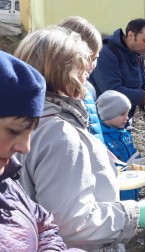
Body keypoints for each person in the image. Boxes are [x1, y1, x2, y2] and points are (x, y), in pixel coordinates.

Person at [14, 26, 145, 250]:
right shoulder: (59, 133)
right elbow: (72, 224)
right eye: (85, 67)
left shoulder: (21, 120)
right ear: (68, 72)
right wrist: (134, 214)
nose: (89, 73)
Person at [0, 51, 69, 251]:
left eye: (30, 133)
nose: (25, 147)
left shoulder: (7, 182)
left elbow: (42, 223)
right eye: (14, 131)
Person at [89, 18, 145, 126]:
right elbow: (112, 91)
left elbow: (143, 85)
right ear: (131, 35)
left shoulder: (138, 56)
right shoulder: (107, 53)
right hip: (103, 122)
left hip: (124, 119)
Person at [58, 16, 104, 143]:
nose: (90, 65)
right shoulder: (50, 92)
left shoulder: (89, 89)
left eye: (94, 58)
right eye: (85, 58)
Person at [96, 90, 145, 168]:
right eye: (122, 114)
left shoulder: (125, 133)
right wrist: (127, 167)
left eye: (127, 113)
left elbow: (133, 154)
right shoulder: (100, 138)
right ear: (109, 114)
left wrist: (143, 161)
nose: (127, 117)